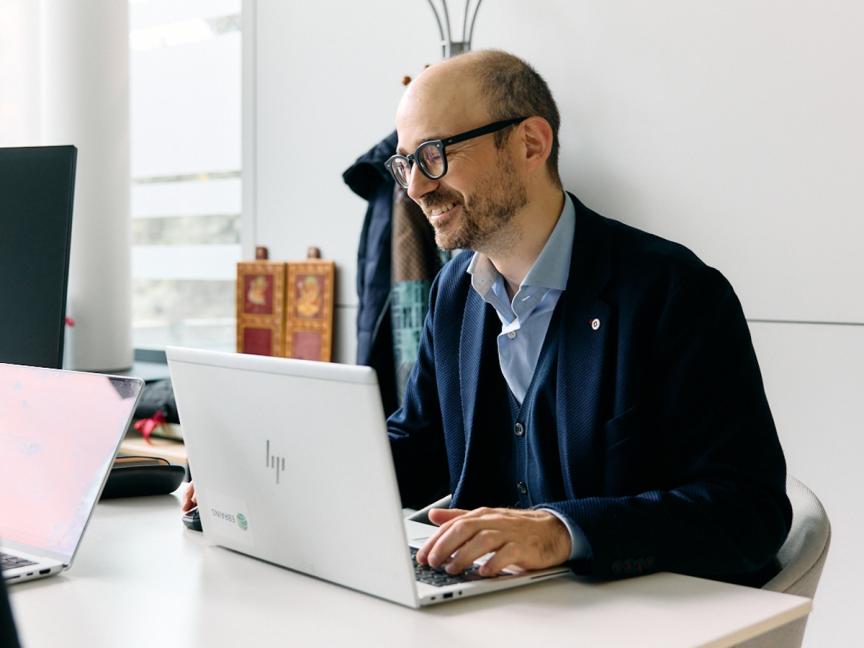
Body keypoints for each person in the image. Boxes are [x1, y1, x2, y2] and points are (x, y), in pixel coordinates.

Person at [185, 49, 790, 586]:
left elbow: (748, 510)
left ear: (530, 143)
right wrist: (271, 481)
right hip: (498, 614)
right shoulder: (454, 292)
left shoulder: (674, 292)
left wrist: (560, 531)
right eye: (405, 164)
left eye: (434, 154)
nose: (416, 188)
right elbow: (418, 446)